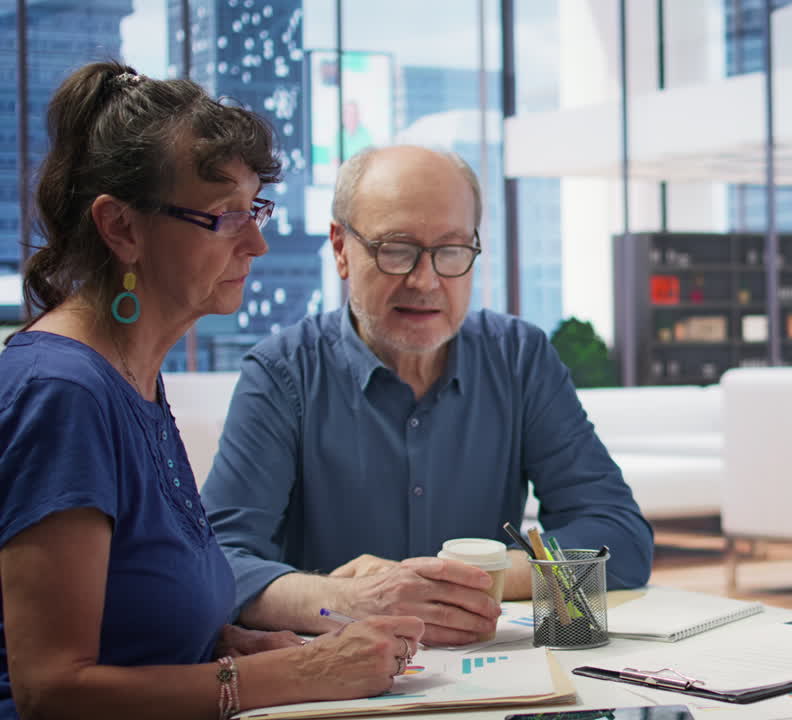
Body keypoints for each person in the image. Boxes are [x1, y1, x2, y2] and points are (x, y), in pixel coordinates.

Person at [0, 62, 427, 720]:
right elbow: (52, 690)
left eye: (255, 208)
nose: (255, 242)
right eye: (226, 216)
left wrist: (232, 644)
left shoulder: (132, 372)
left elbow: (133, 619)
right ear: (121, 228)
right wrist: (298, 672)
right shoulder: (63, 392)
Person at [201, 145, 653, 645]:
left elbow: (621, 540)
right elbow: (217, 563)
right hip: (335, 679)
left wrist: (479, 577)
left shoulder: (518, 358)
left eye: (452, 250)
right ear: (340, 249)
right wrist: (348, 600)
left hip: (490, 673)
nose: (426, 279)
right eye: (396, 249)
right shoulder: (283, 373)